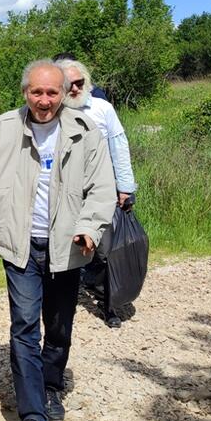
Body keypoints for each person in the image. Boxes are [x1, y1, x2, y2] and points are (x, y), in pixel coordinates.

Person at [0, 60, 115, 421]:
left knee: (58, 327)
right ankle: (32, 411)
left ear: (65, 93)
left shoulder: (85, 131)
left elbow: (103, 188)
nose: (44, 100)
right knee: (24, 326)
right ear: (25, 92)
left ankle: (51, 387)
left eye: (52, 92)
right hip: (19, 246)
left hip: (67, 247)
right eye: (36, 92)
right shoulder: (4, 127)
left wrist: (89, 228)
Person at [56, 58, 137, 328]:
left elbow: (119, 146)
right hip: (64, 194)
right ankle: (59, 304)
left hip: (100, 193)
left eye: (80, 83)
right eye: (70, 85)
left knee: (105, 251)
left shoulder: (102, 108)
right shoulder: (51, 112)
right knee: (61, 247)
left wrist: (125, 188)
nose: (76, 89)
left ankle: (108, 303)